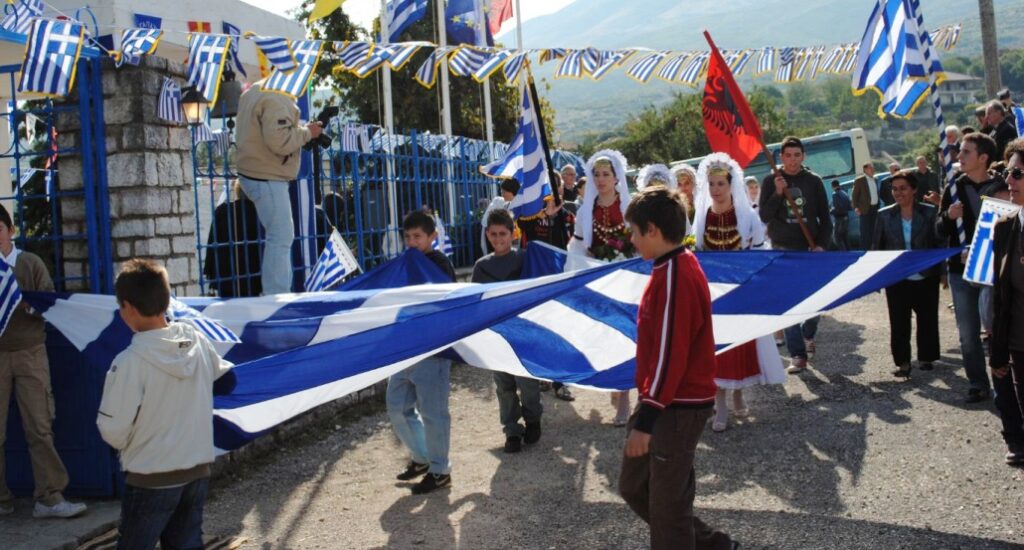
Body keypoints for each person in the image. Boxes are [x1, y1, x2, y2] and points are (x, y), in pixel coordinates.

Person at [619, 186, 735, 550]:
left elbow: (671, 355)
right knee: (635, 486)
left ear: (652, 230)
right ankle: (714, 545)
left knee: (667, 509)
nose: (632, 241)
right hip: (665, 399)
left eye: (635, 232)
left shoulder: (675, 275)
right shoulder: (670, 266)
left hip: (677, 406)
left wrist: (648, 419)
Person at [97, 259, 232, 547]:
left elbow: (113, 430)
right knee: (186, 543)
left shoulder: (129, 363)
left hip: (151, 476)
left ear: (128, 309)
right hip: (196, 469)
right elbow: (222, 376)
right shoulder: (195, 340)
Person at [0, 205, 87, 519]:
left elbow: (48, 302)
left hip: (30, 352)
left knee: (39, 425)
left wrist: (26, 304)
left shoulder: (29, 263)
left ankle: (49, 496)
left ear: (10, 231)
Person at [692, 153, 782, 433]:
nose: (716, 189)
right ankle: (719, 405)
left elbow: (758, 256)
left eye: (721, 184)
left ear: (732, 185)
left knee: (741, 347)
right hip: (714, 295)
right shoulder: (702, 217)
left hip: (741, 292)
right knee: (716, 349)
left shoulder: (747, 217)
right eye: (712, 184)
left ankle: (739, 394)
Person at [389, 210, 456, 494]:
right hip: (404, 348)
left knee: (433, 413)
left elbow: (443, 301)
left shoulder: (439, 265)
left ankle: (440, 471)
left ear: (433, 237)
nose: (412, 242)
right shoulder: (405, 264)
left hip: (432, 351)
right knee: (397, 406)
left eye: (418, 236)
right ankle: (421, 458)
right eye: (408, 237)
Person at [235, 80, 323, 295]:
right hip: (267, 175)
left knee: (278, 235)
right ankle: (276, 295)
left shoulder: (255, 91)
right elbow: (279, 140)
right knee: (281, 236)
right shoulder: (277, 96)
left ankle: (275, 293)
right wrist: (307, 133)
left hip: (253, 172)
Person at [936, 132, 1004, 403]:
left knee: (998, 330)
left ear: (983, 158)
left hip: (994, 271)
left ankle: (1004, 384)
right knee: (968, 333)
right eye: (959, 151)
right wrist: (948, 217)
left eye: (966, 152)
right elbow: (938, 230)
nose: (959, 157)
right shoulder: (953, 187)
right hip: (960, 271)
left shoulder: (1002, 187)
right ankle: (977, 383)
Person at [570, 150, 634, 426]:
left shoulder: (629, 206)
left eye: (606, 174)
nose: (600, 179)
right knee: (609, 338)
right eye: (596, 174)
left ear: (617, 176)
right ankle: (618, 390)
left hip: (629, 280)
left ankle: (633, 396)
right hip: (600, 282)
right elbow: (578, 244)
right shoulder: (588, 209)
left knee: (632, 337)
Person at [759, 136, 832, 373]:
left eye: (796, 155)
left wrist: (821, 244)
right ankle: (798, 355)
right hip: (782, 248)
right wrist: (778, 193)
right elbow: (764, 216)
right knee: (789, 303)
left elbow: (825, 218)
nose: (792, 160)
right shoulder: (772, 180)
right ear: (781, 157)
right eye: (788, 155)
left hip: (809, 248)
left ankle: (808, 333)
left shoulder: (814, 181)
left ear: (803, 156)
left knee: (817, 300)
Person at [473, 210, 542, 453]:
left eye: (503, 233)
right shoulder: (481, 267)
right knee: (503, 384)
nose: (498, 239)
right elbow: (477, 302)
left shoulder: (524, 259)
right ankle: (511, 430)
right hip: (496, 333)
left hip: (523, 332)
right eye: (493, 234)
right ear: (487, 234)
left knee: (527, 381)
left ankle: (533, 418)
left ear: (513, 233)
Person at [870, 171, 942, 378]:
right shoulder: (884, 215)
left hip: (926, 275)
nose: (898, 193)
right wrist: (877, 277)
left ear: (914, 189)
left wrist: (943, 272)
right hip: (897, 277)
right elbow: (877, 247)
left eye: (903, 188)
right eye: (894, 189)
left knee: (927, 318)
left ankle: (926, 357)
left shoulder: (929, 213)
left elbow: (939, 242)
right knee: (899, 320)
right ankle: (902, 362)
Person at [990, 139, 1024, 466]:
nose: (1008, 181)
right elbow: (1001, 295)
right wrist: (998, 350)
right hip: (1020, 345)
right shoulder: (1004, 228)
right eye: (1007, 172)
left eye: (1017, 173)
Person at [204, 181, 262, 297]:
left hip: (225, 275)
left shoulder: (222, 210)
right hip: (253, 274)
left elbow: (212, 243)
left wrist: (210, 273)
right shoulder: (260, 212)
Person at [479, 179, 520, 256]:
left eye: (504, 191)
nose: (502, 194)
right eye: (502, 191)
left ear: (511, 192)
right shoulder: (505, 206)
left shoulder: (520, 206)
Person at [852, 162, 881, 251]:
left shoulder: (875, 179)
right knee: (865, 231)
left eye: (873, 168)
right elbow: (854, 195)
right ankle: (865, 250)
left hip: (875, 208)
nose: (873, 170)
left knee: (875, 230)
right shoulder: (859, 180)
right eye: (871, 168)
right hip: (864, 209)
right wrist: (856, 208)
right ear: (865, 170)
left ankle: (874, 249)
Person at [830, 179, 852, 251]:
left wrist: (831, 211)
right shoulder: (844, 193)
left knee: (837, 237)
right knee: (845, 237)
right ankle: (848, 252)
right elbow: (849, 206)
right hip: (846, 217)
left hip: (839, 218)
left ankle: (843, 253)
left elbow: (837, 208)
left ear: (832, 186)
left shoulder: (835, 194)